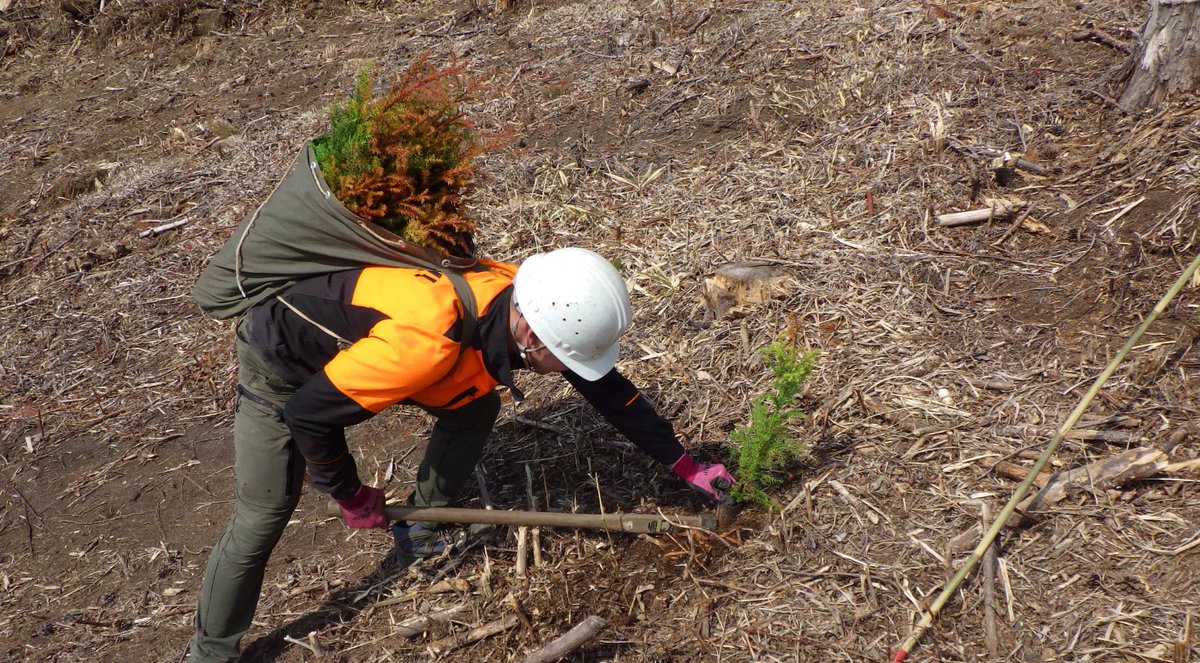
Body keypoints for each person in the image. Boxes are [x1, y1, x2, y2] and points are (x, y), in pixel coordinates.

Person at [189, 247, 735, 662]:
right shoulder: (428, 342)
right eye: (563, 358)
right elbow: (307, 414)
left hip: (376, 347)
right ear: (530, 334)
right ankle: (211, 650)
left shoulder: (520, 296)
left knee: (473, 407)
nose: (567, 370)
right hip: (284, 362)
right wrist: (348, 492)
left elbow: (605, 387)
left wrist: (684, 462)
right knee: (265, 510)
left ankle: (419, 525)